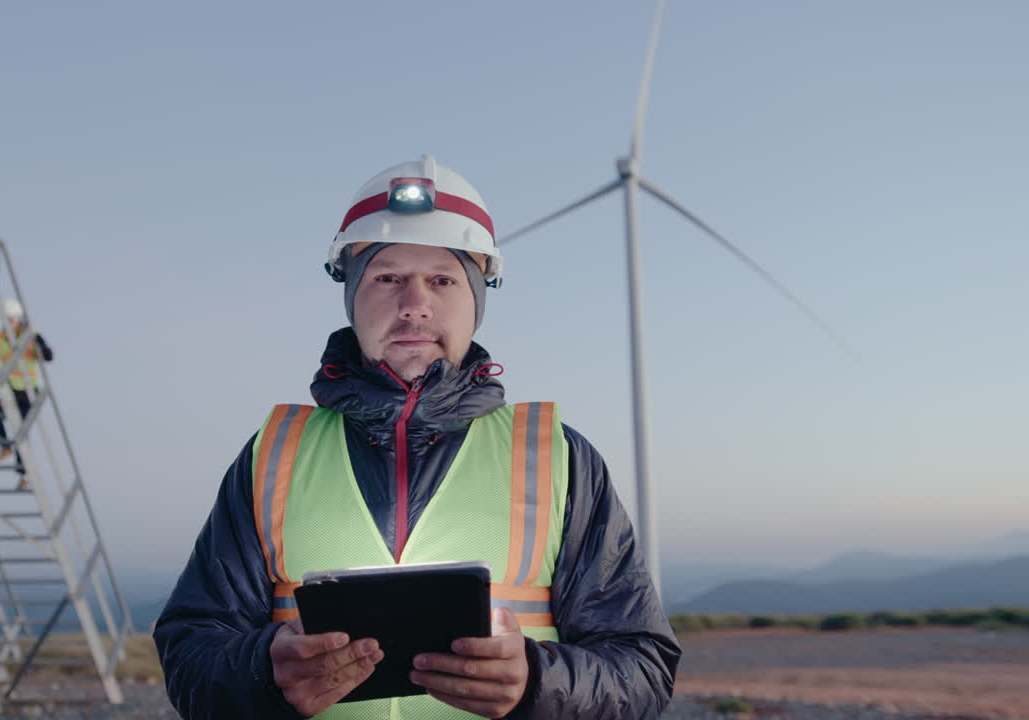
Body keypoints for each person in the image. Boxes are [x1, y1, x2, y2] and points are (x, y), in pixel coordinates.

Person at [153, 156, 680, 719]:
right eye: (387, 278)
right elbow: (190, 656)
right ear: (351, 294)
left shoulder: (559, 458)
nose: (414, 305)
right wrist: (263, 672)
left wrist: (535, 681)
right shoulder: (272, 455)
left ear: (478, 299)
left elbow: (643, 669)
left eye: (443, 280)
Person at [0, 298, 52, 485]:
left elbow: (48, 355)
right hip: (8, 387)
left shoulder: (31, 336)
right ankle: (5, 445)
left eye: (13, 320)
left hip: (28, 390)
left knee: (22, 432)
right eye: (7, 320)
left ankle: (24, 474)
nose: (10, 324)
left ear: (19, 320)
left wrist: (41, 351)